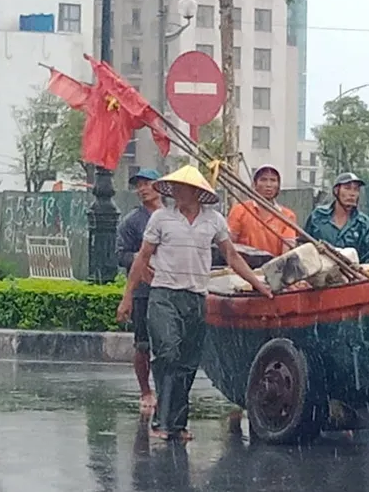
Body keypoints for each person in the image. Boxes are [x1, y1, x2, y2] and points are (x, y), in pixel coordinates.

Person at [116, 165, 272, 442]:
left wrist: (259, 284)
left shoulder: (214, 220)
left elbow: (231, 256)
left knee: (187, 363)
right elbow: (142, 258)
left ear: (197, 192)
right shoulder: (161, 219)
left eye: (181, 187)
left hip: (196, 296)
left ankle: (177, 423)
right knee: (167, 354)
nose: (175, 191)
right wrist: (127, 296)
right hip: (164, 296)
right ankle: (162, 422)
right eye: (173, 187)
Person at [116, 168, 162, 414]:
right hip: (143, 290)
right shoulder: (132, 221)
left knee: (168, 344)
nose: (143, 189)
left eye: (148, 183)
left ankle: (167, 391)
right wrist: (139, 260)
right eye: (139, 185)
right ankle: (145, 390)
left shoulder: (172, 216)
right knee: (143, 343)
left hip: (170, 288)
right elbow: (120, 254)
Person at [304, 172, 369, 264]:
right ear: (336, 191)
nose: (352, 194)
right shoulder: (318, 216)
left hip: (353, 276)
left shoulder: (365, 224)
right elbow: (304, 246)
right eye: (347, 188)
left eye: (356, 189)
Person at [226, 165, 298, 256]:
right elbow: (229, 246)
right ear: (255, 184)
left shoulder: (287, 216)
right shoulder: (240, 210)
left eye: (273, 180)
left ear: (278, 186)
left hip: (274, 267)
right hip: (244, 267)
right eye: (263, 180)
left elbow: (287, 251)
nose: (268, 185)